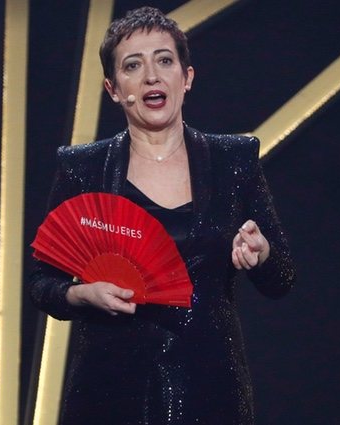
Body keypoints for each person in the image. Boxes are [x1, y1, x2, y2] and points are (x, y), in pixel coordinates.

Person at [29, 6, 295, 425]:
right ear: (114, 88)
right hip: (109, 387)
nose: (151, 75)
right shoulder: (83, 168)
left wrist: (261, 254)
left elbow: (283, 278)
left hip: (210, 384)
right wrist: (81, 295)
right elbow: (41, 283)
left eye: (164, 60)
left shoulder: (234, 159)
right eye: (133, 65)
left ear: (186, 78)